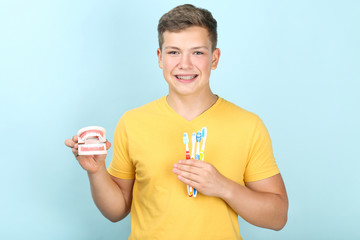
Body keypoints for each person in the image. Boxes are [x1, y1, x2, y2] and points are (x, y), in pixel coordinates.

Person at [65, 4, 288, 240]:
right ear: (160, 58)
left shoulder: (248, 125)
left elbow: (277, 217)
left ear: (215, 58)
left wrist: (222, 186)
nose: (185, 64)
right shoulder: (133, 122)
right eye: (174, 52)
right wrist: (97, 172)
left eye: (198, 52)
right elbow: (117, 211)